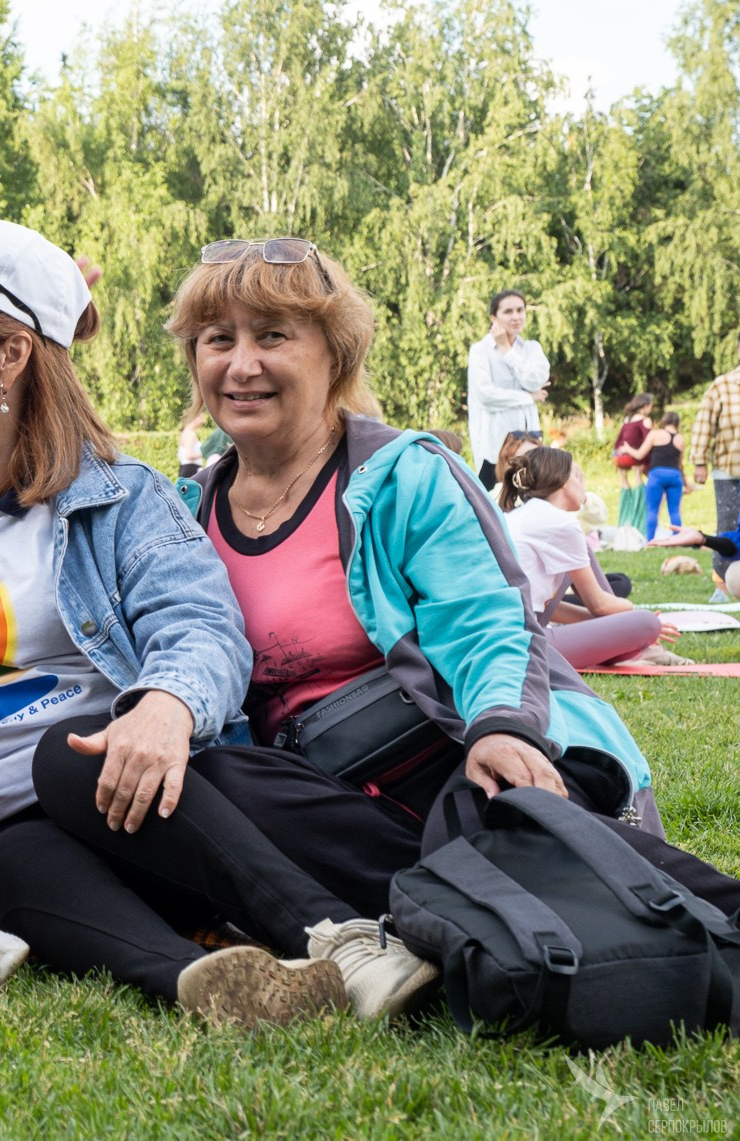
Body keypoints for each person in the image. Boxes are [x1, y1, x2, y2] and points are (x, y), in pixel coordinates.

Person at [0, 222, 406, 1027]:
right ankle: (213, 978)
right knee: (3, 861)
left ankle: (343, 941)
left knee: (62, 761)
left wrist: (166, 704)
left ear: (11, 353)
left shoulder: (119, 496)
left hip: (133, 801)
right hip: (0, 841)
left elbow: (203, 624)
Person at [159, 238, 740, 986]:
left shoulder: (401, 474)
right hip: (324, 795)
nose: (241, 364)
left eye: (272, 335)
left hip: (454, 753)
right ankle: (446, 913)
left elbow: (487, 623)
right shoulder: (191, 510)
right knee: (221, 780)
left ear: (333, 355)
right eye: (218, 340)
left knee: (489, 816)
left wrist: (500, 724)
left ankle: (483, 909)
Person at [499, 447, 678, 667]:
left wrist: (613, 624)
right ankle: (641, 644)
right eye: (578, 476)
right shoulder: (558, 522)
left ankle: (636, 643)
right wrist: (634, 613)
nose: (583, 485)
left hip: (507, 633)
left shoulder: (521, 515)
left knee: (584, 550)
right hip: (522, 644)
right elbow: (599, 604)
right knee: (647, 623)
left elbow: (543, 606)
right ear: (562, 480)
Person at [465, 289, 549, 489]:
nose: (516, 317)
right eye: (508, 312)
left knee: (531, 500)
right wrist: (529, 397)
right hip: (494, 444)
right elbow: (486, 395)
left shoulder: (531, 348)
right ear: (494, 317)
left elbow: (535, 379)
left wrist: (506, 350)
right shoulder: (480, 351)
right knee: (495, 503)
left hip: (530, 441)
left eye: (520, 310)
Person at [689, 344, 740, 586]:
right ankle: (723, 582)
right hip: (728, 470)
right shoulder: (723, 385)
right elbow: (703, 424)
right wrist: (699, 461)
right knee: (728, 529)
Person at [633, 410, 689, 541]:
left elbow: (640, 454)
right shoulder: (681, 439)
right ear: (677, 423)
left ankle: (650, 540)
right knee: (674, 510)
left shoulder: (655, 434)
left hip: (657, 475)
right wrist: (686, 483)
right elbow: (681, 465)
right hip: (675, 476)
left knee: (652, 510)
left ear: (664, 421)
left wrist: (627, 449)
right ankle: (677, 539)